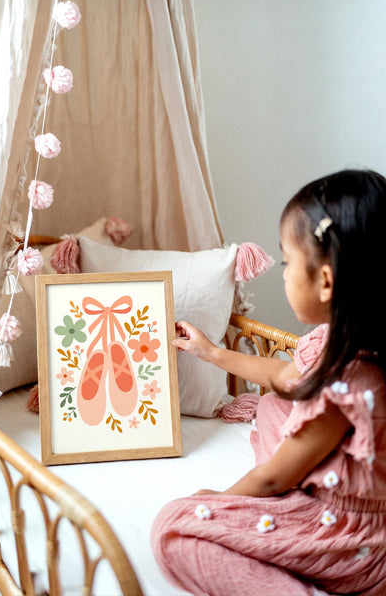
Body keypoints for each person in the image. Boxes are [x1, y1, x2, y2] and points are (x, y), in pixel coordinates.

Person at [151, 169, 386, 596]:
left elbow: (272, 481)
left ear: (326, 281)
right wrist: (211, 352)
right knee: (271, 405)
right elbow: (282, 377)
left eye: (287, 263)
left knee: (173, 528)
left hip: (347, 535)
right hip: (350, 490)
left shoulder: (345, 380)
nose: (283, 274)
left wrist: (218, 500)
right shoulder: (342, 341)